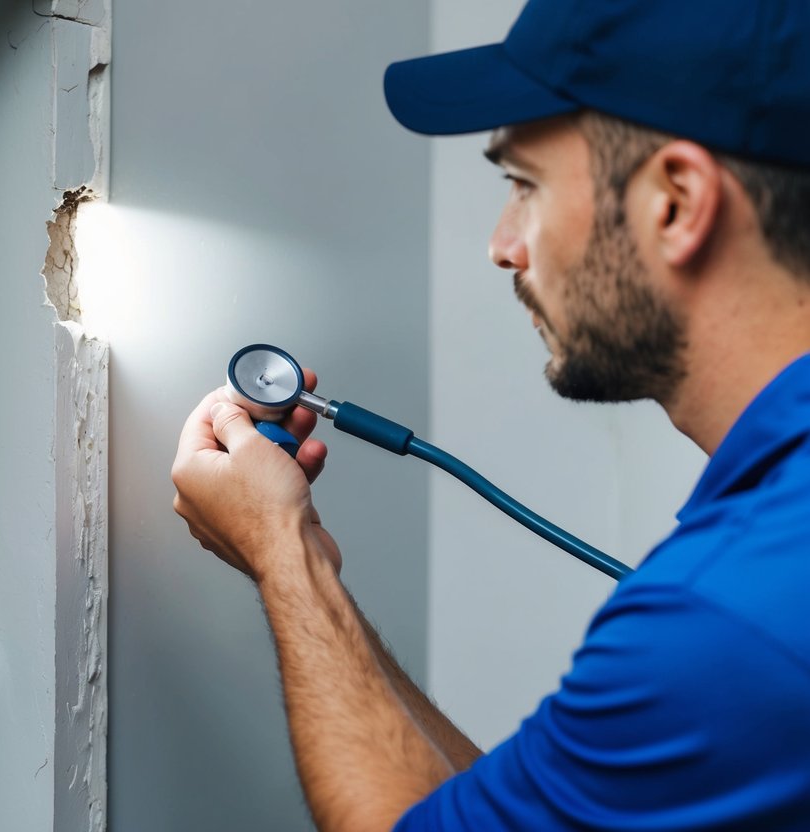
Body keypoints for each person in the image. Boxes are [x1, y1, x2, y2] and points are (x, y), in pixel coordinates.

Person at [171, 0, 810, 828]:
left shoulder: (724, 615)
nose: (502, 244)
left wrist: (280, 558)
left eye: (523, 186)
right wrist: (310, 568)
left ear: (676, 203)